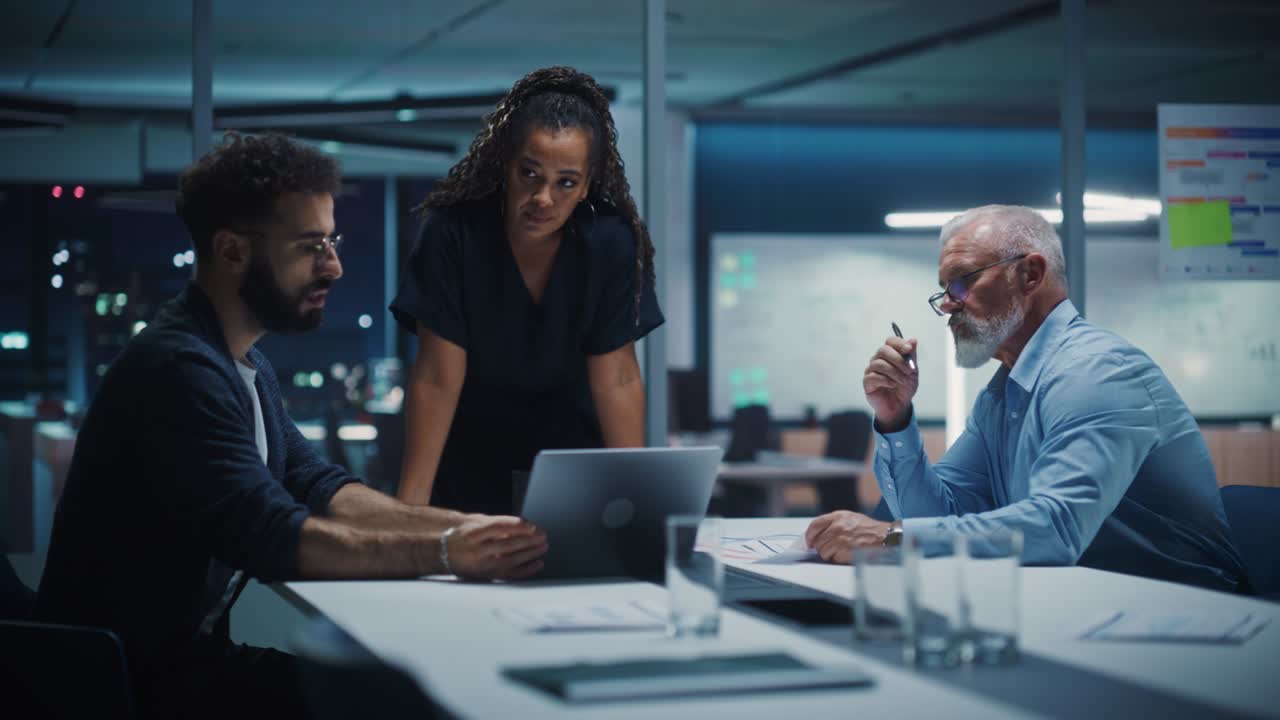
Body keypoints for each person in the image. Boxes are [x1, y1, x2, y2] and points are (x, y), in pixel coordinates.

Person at [35, 133, 548, 720]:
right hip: (122, 682)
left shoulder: (244, 364)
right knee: (396, 700)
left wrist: (472, 528)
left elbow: (318, 487)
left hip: (173, 663)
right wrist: (446, 552)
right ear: (231, 252)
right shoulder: (178, 370)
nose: (333, 265)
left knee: (393, 689)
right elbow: (273, 536)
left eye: (331, 241)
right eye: (309, 247)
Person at [805, 204, 1248, 593]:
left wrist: (891, 539)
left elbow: (1054, 529)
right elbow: (938, 511)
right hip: (1080, 606)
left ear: (1030, 275)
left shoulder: (1097, 372)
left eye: (961, 283)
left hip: (1187, 620)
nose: (947, 306)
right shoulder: (1004, 392)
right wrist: (895, 419)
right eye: (944, 291)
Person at [390, 66, 664, 514]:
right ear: (506, 166)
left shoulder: (609, 242)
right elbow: (437, 378)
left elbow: (616, 379)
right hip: (468, 462)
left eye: (566, 183)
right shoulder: (452, 233)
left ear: (587, 186)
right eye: (530, 173)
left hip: (574, 468)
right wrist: (409, 510)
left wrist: (632, 505)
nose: (543, 198)